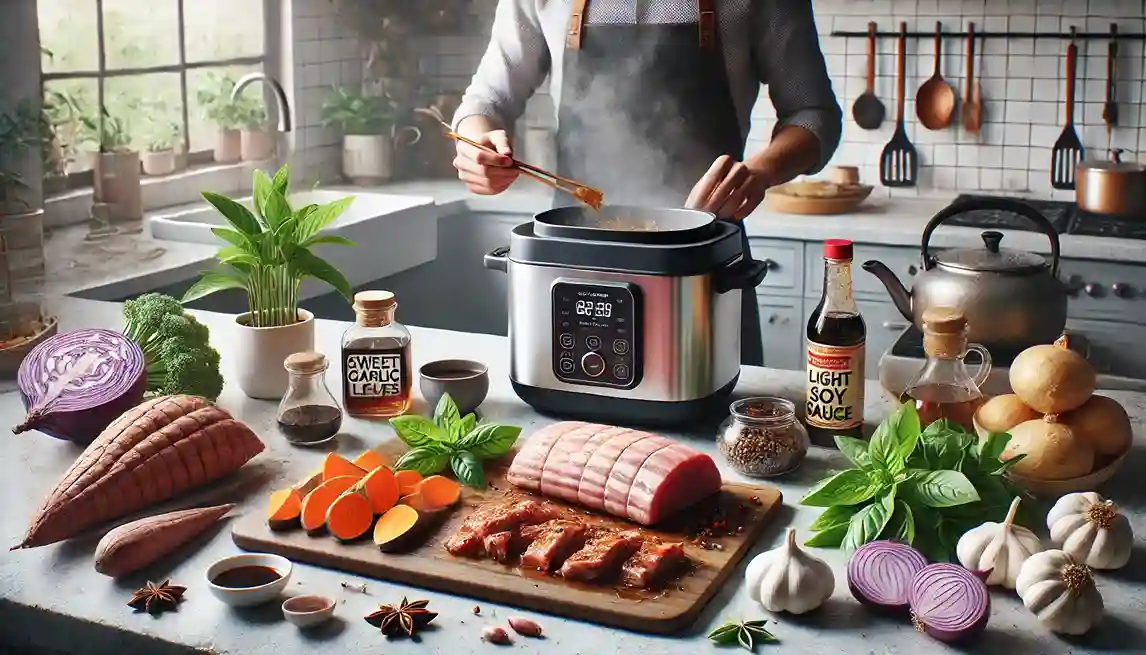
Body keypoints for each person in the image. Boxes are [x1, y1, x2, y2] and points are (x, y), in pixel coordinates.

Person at [451, 0, 842, 366]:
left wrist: (760, 173)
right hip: (574, 267)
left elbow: (814, 113)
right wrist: (476, 143)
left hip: (703, 271)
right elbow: (484, 102)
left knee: (713, 427)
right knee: (568, 430)